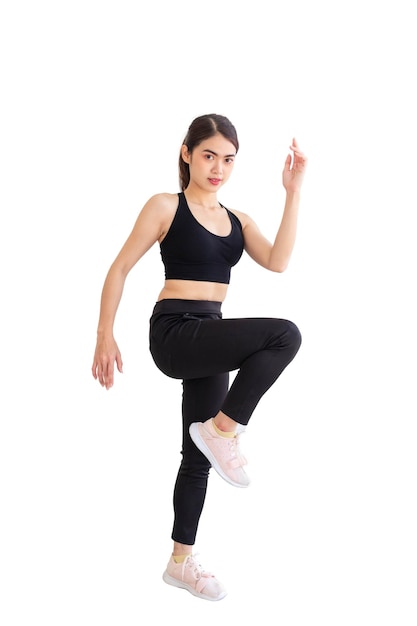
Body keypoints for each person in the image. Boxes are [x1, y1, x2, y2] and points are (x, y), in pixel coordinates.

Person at [92, 113, 307, 601]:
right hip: (175, 331)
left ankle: (180, 561)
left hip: (210, 335)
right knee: (284, 335)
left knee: (197, 458)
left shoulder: (238, 220)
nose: (218, 168)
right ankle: (224, 431)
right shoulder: (166, 205)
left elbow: (278, 262)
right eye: (208, 155)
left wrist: (292, 191)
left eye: (228, 159)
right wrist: (105, 334)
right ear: (187, 153)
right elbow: (120, 266)